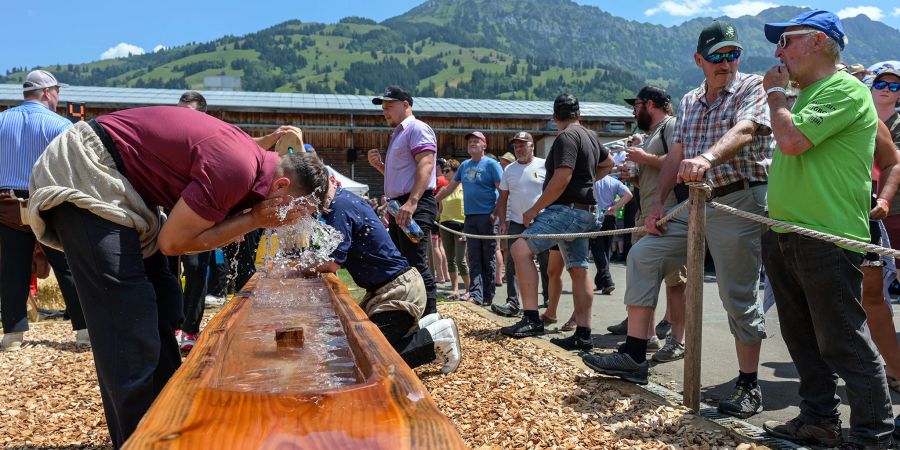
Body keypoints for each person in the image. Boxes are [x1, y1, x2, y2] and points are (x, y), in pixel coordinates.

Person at [26, 105, 311, 448]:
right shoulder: (237, 168)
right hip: (88, 168)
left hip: (127, 185)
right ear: (281, 184)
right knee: (128, 317)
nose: (286, 220)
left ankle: (167, 427)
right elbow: (173, 243)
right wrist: (255, 219)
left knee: (164, 300)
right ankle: (138, 441)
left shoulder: (251, 158)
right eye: (289, 211)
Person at [583, 21, 772, 421]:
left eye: (732, 54)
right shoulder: (688, 100)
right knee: (643, 254)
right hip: (693, 204)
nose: (726, 62)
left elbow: (745, 129)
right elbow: (676, 154)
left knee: (736, 294)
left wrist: (707, 159)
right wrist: (657, 208)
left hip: (738, 196)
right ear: (699, 60)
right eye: (717, 56)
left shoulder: (752, 86)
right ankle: (635, 354)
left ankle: (748, 384)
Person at [759, 11, 896, 448]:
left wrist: (776, 95)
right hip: (789, 232)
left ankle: (874, 436)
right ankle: (819, 419)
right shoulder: (815, 92)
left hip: (825, 235)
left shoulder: (845, 89)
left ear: (817, 42)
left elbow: (792, 141)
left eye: (785, 41)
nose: (777, 52)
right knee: (803, 339)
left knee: (844, 343)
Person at [296, 156, 461, 375]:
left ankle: (437, 337)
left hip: (398, 293)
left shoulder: (340, 207)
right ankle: (424, 327)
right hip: (391, 290)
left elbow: (332, 262)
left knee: (371, 360)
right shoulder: (341, 201)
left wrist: (298, 269)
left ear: (311, 192)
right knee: (355, 345)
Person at [499, 94, 610, 354]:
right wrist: (587, 183)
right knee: (578, 269)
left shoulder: (565, 137)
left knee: (519, 250)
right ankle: (583, 334)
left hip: (568, 211)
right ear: (579, 114)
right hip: (587, 212)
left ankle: (530, 318)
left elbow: (562, 176)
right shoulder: (590, 136)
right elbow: (609, 164)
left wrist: (534, 209)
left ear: (555, 118)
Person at [0, 70, 88, 351]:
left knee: (11, 268)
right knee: (67, 266)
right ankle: (84, 330)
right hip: (48, 201)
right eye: (57, 92)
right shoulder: (61, 125)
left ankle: (12, 334)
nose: (58, 98)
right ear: (48, 92)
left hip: (7, 204)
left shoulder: (1, 121)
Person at [608, 86, 688, 363]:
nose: (633, 110)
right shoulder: (652, 133)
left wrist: (644, 158)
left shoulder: (672, 125)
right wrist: (635, 174)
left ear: (651, 104)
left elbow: (679, 160)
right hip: (648, 210)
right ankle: (648, 336)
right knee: (646, 275)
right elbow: (653, 173)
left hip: (670, 211)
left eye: (637, 104)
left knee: (676, 281)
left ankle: (678, 340)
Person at [367, 86, 439, 316]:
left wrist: (413, 201)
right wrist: (380, 167)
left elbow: (426, 164)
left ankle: (430, 317)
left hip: (413, 203)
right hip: (401, 204)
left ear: (406, 105)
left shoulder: (416, 128)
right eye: (383, 108)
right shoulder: (400, 133)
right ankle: (413, 312)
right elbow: (405, 175)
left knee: (415, 263)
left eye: (389, 106)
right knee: (402, 262)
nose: (385, 111)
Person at [436, 131, 503, 307]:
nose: (472, 144)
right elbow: (450, 187)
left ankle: (488, 295)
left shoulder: (491, 164)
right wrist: (433, 201)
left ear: (484, 145)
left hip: (488, 216)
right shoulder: (464, 166)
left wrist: (497, 214)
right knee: (473, 256)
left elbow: (503, 191)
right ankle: (476, 294)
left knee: (487, 257)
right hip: (470, 217)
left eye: (476, 141)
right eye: (470, 142)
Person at [491, 132, 550, 317]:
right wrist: (502, 221)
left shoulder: (545, 165)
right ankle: (512, 302)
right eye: (516, 146)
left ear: (532, 145)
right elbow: (502, 198)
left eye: (523, 145)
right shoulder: (509, 170)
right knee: (512, 262)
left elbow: (554, 192)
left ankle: (548, 300)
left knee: (546, 261)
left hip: (541, 221)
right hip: (517, 222)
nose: (519, 149)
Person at [590, 174, 632, 295]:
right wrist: (615, 207)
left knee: (598, 250)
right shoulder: (613, 181)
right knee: (605, 249)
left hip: (596, 217)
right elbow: (629, 195)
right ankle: (600, 281)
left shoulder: (592, 180)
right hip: (610, 217)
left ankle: (607, 281)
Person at [437, 159, 470, 299]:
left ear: (456, 172)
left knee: (460, 259)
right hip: (445, 224)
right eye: (443, 170)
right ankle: (455, 289)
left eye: (447, 170)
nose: (444, 173)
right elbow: (440, 210)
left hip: (461, 226)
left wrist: (468, 230)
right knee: (450, 259)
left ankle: (469, 290)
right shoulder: (444, 190)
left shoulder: (465, 188)